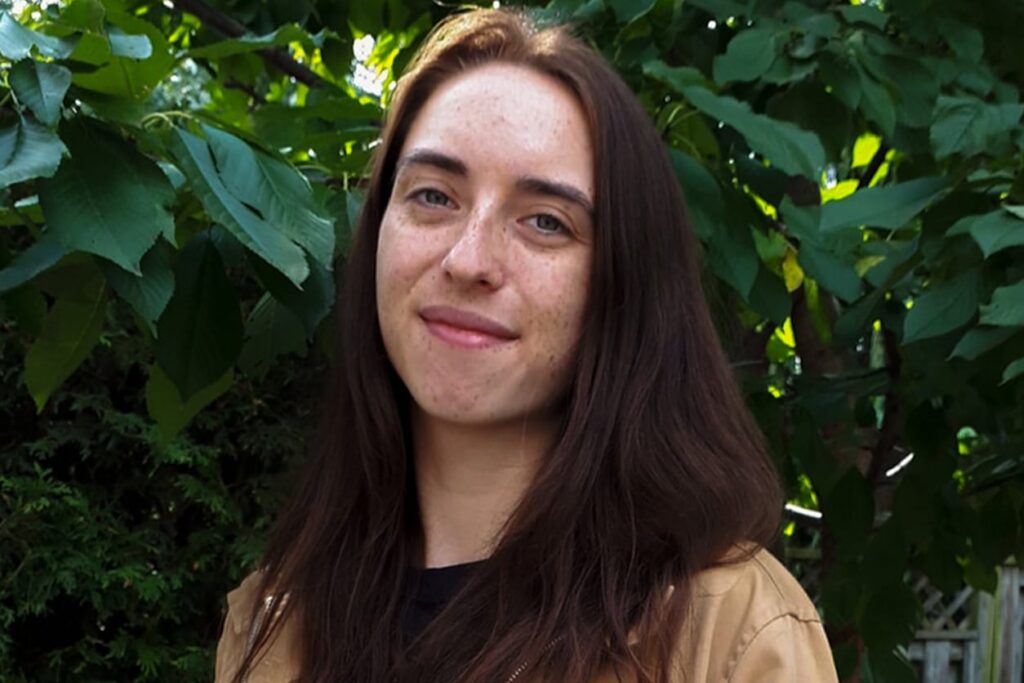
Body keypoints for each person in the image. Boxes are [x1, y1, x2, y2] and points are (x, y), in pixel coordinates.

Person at [215, 7, 839, 683]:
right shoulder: (274, 621)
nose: (468, 258)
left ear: (621, 285)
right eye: (433, 196)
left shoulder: (733, 634)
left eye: (546, 221)